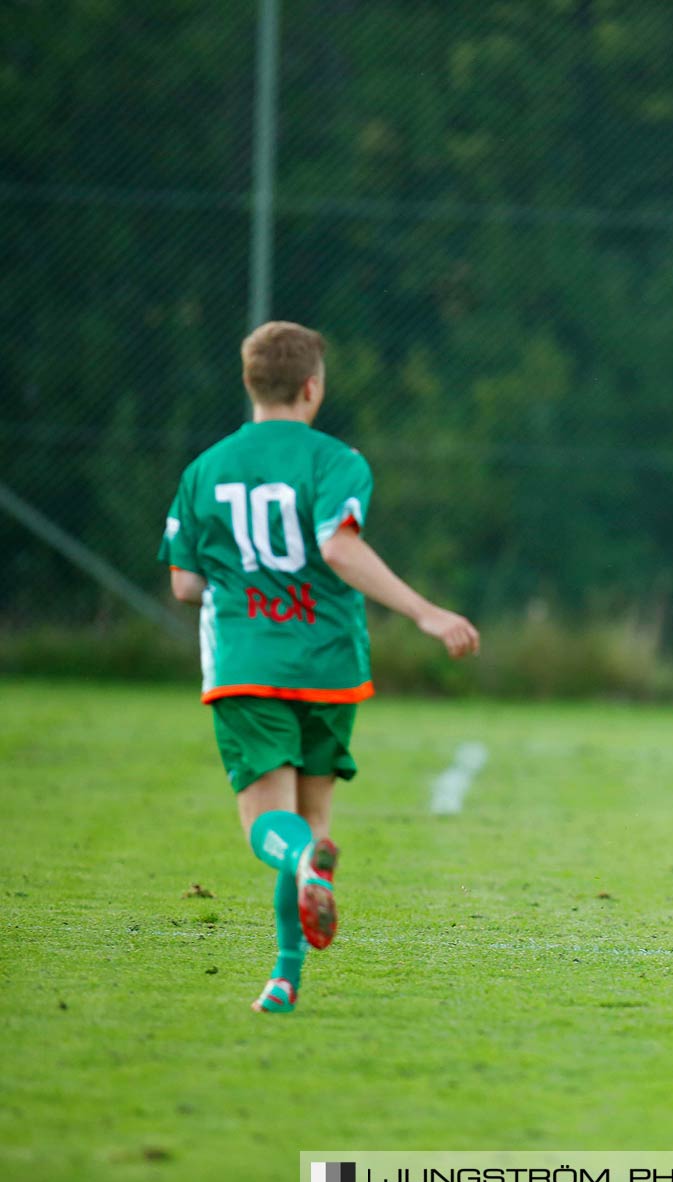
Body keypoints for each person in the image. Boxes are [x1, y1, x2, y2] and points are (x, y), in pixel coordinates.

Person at [159, 321, 479, 1013]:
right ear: (312, 386)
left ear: (250, 383)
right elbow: (336, 547)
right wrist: (424, 612)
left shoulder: (204, 471)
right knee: (313, 822)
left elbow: (185, 585)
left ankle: (299, 884)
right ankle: (284, 977)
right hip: (329, 662)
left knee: (270, 828)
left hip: (246, 664)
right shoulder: (338, 462)